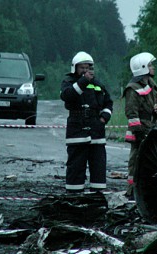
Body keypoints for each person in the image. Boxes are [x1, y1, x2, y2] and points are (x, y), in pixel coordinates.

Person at [60, 51, 113, 193]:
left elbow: (108, 103)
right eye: (82, 67)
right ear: (75, 68)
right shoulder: (68, 82)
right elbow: (67, 96)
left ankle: (97, 197)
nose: (85, 70)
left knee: (98, 167)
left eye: (87, 67)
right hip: (77, 131)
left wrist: (103, 118)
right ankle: (74, 196)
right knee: (76, 166)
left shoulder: (97, 85)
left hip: (96, 132)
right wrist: (83, 81)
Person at [124, 52, 157, 197]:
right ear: (143, 68)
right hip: (140, 130)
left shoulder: (152, 84)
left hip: (150, 127)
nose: (153, 67)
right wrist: (139, 132)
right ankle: (132, 190)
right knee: (136, 160)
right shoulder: (133, 88)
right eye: (150, 65)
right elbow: (131, 113)